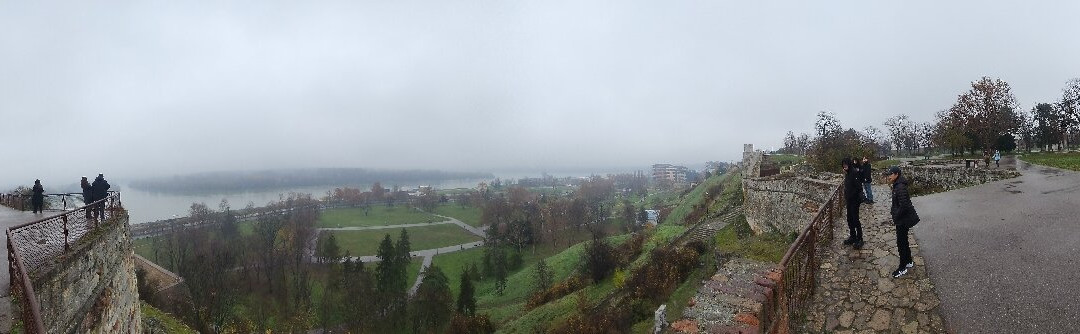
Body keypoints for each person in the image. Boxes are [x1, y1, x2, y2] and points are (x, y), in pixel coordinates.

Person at [885, 166, 920, 278]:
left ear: (896, 174)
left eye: (890, 174)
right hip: (902, 219)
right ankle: (909, 261)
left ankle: (902, 268)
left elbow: (904, 205)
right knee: (904, 242)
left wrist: (896, 215)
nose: (889, 176)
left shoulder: (900, 187)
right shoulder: (898, 184)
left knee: (901, 244)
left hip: (903, 220)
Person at [842, 158, 864, 249]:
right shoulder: (847, 174)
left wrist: (851, 195)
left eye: (846, 164)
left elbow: (859, 187)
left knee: (855, 220)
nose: (844, 166)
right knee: (849, 219)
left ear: (849, 164)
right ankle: (853, 236)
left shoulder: (854, 172)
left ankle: (859, 239)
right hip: (849, 200)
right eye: (843, 165)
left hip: (855, 200)